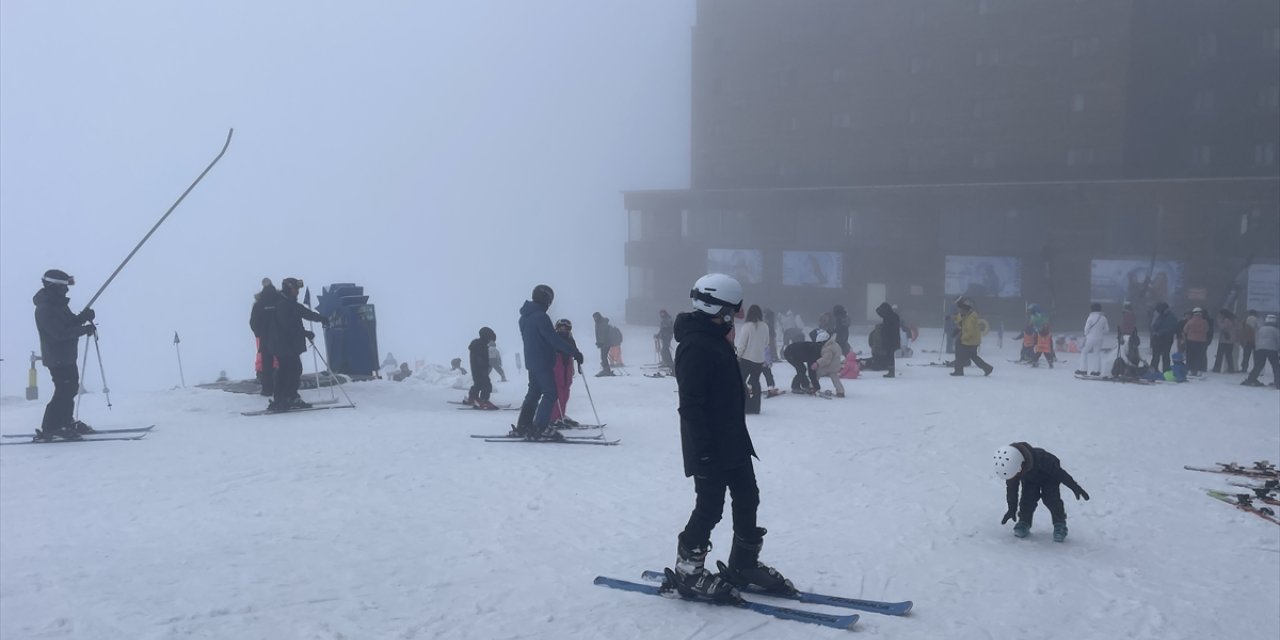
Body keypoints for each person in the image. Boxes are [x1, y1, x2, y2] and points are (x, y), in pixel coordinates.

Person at [668, 273, 793, 602]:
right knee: (709, 508)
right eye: (734, 310)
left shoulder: (713, 336)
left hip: (733, 439)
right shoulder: (695, 345)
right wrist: (704, 451)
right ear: (717, 308)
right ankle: (689, 570)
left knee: (748, 496)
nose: (737, 315)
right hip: (708, 444)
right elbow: (690, 406)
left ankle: (744, 563)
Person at [33, 269, 98, 440]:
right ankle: (51, 426)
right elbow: (59, 334)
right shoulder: (45, 309)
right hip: (57, 357)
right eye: (63, 287)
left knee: (70, 388)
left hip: (67, 356)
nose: (67, 290)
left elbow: (69, 324)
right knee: (64, 390)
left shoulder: (58, 305)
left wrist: (83, 317)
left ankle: (65, 421)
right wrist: (83, 330)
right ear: (53, 287)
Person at [516, 285, 584, 440]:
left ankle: (524, 425)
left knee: (533, 394)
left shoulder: (524, 317)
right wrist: (574, 352)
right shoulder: (540, 317)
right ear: (547, 299)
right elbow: (552, 339)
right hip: (543, 362)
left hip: (532, 361)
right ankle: (540, 428)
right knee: (550, 393)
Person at [993, 443, 1089, 543]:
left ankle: (1059, 524)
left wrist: (1074, 487)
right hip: (1030, 480)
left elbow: (1060, 474)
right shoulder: (1012, 468)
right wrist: (1012, 508)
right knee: (1027, 499)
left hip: (1049, 477)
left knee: (1051, 499)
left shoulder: (1043, 459)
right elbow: (1012, 490)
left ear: (1021, 465)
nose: (1014, 477)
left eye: (1016, 474)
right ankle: (1024, 521)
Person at [269, 277, 329, 411]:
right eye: (296, 289)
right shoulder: (282, 304)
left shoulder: (290, 303)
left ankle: (289, 397)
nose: (297, 292)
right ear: (288, 288)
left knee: (293, 369)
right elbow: (288, 327)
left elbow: (305, 313)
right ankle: (281, 399)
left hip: (288, 346)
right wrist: (305, 333)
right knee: (287, 370)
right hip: (282, 345)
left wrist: (322, 319)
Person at [249, 278, 280, 397]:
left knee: (266, 363)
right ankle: (282, 388)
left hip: (264, 338)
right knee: (283, 361)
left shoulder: (259, 304)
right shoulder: (280, 300)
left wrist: (259, 333)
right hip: (280, 337)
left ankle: (267, 389)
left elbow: (253, 322)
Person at [736, 305, 768, 414]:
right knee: (755, 381)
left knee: (741, 381)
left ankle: (745, 405)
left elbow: (742, 344)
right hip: (759, 359)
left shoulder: (747, 326)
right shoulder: (765, 326)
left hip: (746, 358)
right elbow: (766, 342)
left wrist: (738, 356)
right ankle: (756, 407)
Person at [951, 297, 993, 376]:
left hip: (969, 341)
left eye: (961, 310)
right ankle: (987, 368)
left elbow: (970, 332)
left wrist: (963, 338)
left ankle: (959, 371)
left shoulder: (970, 319)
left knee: (959, 354)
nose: (959, 311)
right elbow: (959, 319)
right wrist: (953, 318)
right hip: (973, 341)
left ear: (965, 310)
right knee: (973, 356)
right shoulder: (967, 315)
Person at [550, 318, 580, 427]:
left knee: (565, 393)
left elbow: (574, 350)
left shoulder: (570, 339)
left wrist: (578, 360)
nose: (563, 330)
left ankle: (560, 414)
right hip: (558, 366)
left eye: (565, 328)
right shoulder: (554, 338)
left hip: (567, 366)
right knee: (558, 392)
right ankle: (553, 417)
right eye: (561, 328)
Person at [1242, 314, 1279, 387]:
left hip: (1260, 348)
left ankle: (1251, 379)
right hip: (1272, 349)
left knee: (1259, 365)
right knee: (1276, 366)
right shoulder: (1276, 330)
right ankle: (1278, 381)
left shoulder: (1261, 329)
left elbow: (1257, 338)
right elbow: (1278, 341)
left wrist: (1257, 347)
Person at [467, 327, 499, 410]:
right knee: (486, 385)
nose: (490, 341)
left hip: (477, 368)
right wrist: (485, 366)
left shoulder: (478, 344)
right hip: (481, 368)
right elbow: (481, 358)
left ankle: (472, 397)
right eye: (490, 339)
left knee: (478, 383)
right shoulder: (481, 345)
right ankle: (484, 400)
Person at [1076, 302, 1110, 376]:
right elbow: (1107, 330)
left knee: (1084, 352)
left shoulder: (1090, 317)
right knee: (1097, 354)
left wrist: (1087, 334)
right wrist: (1100, 332)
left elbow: (1086, 329)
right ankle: (1096, 371)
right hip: (1100, 339)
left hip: (1090, 338)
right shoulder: (1104, 318)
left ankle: (1083, 369)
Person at [814, 330, 845, 397]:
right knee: (835, 378)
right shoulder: (834, 344)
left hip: (828, 365)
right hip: (835, 364)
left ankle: (812, 386)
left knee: (817, 374)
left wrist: (817, 363)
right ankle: (840, 391)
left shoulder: (827, 348)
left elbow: (826, 359)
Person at [1149, 302, 1178, 372]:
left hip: (1166, 339)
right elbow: (1155, 325)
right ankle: (1153, 370)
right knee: (1155, 355)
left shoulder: (1171, 317)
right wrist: (1154, 330)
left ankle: (1166, 370)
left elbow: (1171, 328)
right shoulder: (1160, 316)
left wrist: (1160, 332)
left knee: (1165, 355)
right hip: (1157, 339)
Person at [875, 302, 901, 377]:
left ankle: (891, 372)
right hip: (893, 339)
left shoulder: (888, 316)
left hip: (890, 339)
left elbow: (890, 328)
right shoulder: (893, 315)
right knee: (890, 355)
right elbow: (878, 312)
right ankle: (891, 370)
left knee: (890, 355)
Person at [1182, 308, 1210, 375]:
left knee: (1191, 356)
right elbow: (1207, 330)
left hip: (1191, 341)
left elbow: (1185, 330)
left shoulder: (1190, 321)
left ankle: (1191, 369)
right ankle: (1200, 370)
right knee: (1200, 356)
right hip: (1202, 341)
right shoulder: (1204, 322)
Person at [1211, 309, 1236, 373]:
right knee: (1229, 355)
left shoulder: (1226, 320)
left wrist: (1219, 321)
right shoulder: (1232, 320)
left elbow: (1222, 327)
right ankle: (1231, 369)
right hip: (1230, 340)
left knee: (1220, 355)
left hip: (1224, 340)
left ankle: (1217, 368)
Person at [592, 312, 614, 377]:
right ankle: (606, 370)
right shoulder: (598, 323)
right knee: (603, 357)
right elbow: (599, 334)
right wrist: (598, 342)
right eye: (594, 317)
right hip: (603, 343)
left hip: (606, 343)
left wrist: (601, 342)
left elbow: (604, 334)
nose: (594, 318)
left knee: (603, 357)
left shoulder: (602, 323)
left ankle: (606, 371)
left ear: (599, 316)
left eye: (596, 317)